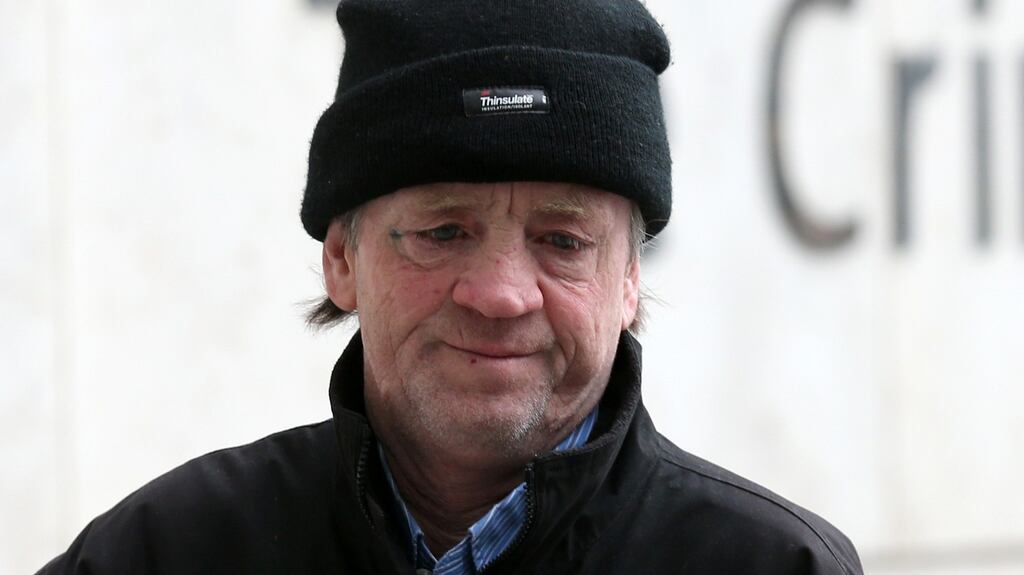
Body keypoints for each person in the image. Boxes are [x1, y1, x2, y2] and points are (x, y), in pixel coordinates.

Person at [39, 0, 863, 573]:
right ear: (341, 258)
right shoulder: (162, 554)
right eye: (443, 231)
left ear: (628, 278)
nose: (502, 294)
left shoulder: (776, 567)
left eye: (563, 240)